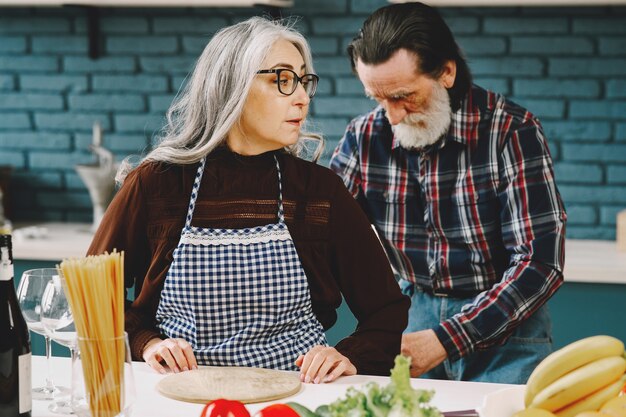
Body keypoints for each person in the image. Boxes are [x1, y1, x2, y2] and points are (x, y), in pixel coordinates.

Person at [87, 16, 409, 383]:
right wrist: (146, 343)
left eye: (304, 81)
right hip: (181, 395)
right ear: (232, 86)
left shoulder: (320, 190)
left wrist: (346, 355)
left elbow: (386, 311)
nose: (302, 97)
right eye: (283, 80)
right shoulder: (157, 184)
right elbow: (92, 296)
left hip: (295, 398)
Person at [330, 2, 567, 384]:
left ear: (446, 72)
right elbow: (319, 235)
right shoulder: (363, 137)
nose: (391, 116)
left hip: (507, 335)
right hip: (410, 323)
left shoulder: (512, 132)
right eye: (378, 99)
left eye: (404, 96)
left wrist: (445, 338)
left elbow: (540, 264)